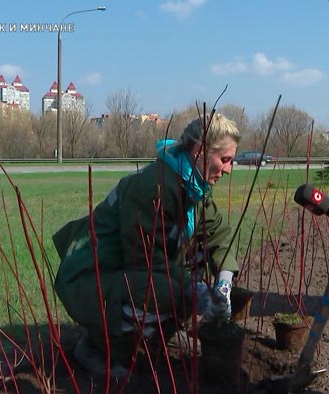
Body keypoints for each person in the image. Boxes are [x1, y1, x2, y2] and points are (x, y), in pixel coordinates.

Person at [52, 112, 240, 377]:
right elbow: (146, 261)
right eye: (225, 160)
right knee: (172, 290)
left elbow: (219, 233)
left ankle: (158, 334)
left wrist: (224, 281)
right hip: (91, 277)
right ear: (200, 151)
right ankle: (99, 348)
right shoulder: (154, 188)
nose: (229, 169)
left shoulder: (194, 189)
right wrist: (195, 292)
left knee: (189, 278)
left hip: (126, 274)